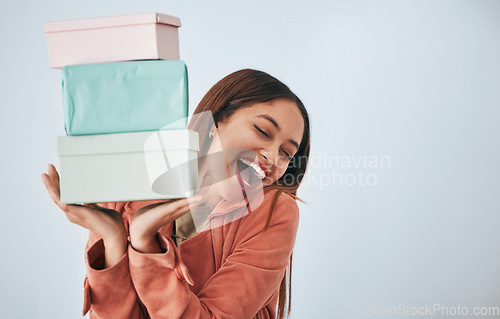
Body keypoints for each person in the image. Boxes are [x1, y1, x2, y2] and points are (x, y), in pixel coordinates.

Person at [41, 69, 311, 319]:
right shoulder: (131, 184)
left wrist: (145, 241)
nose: (273, 157)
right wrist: (112, 238)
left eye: (287, 153)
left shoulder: (274, 211)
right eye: (263, 131)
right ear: (216, 121)